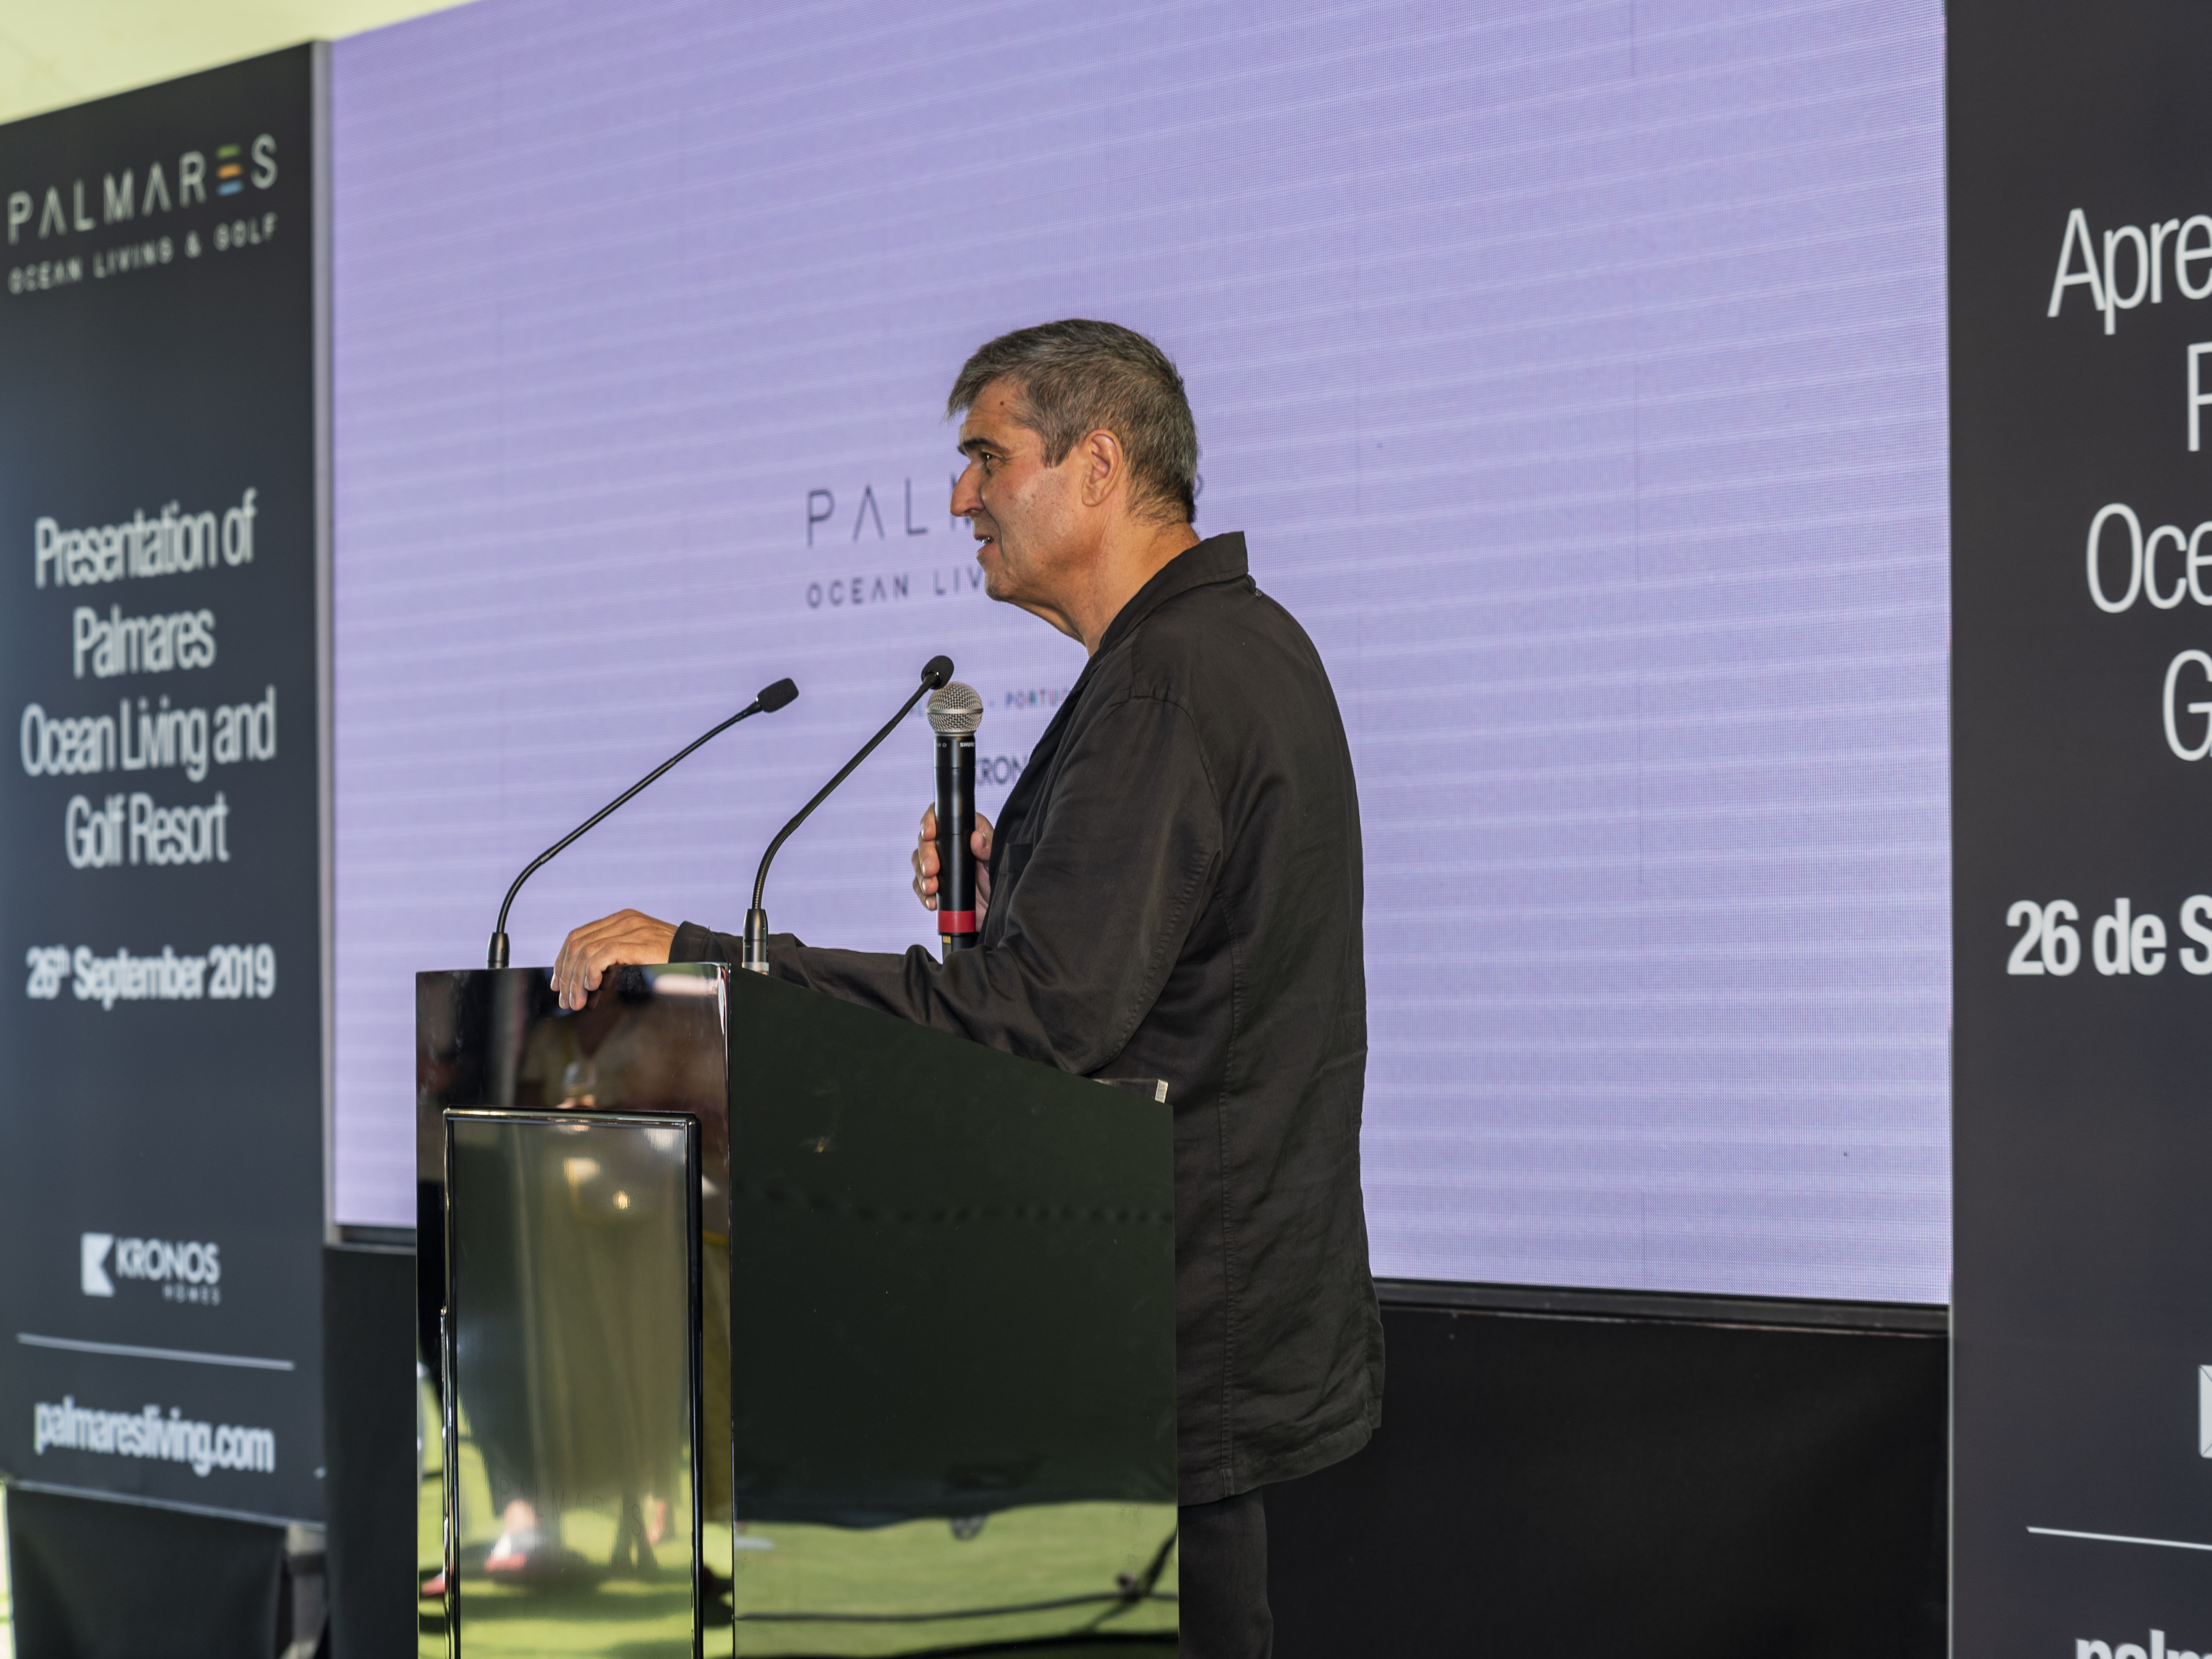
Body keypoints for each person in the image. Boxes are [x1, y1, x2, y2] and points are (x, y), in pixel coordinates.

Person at [552, 318, 1381, 1659]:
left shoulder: (1168, 684)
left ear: (1098, 466)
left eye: (988, 458)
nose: (957, 497)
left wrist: (716, 962)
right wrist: (1020, 897)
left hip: (1149, 1334)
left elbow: (1037, 1023)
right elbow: (1156, 975)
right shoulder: (1234, 649)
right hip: (1172, 1324)